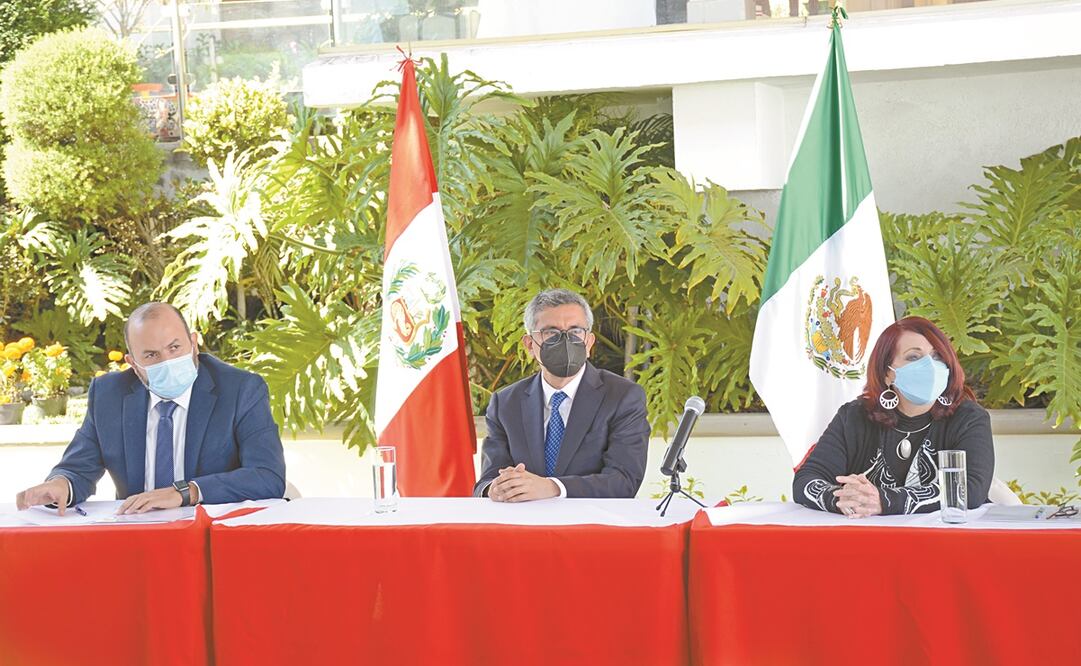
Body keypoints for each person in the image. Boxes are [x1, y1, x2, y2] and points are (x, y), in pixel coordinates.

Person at [15, 302, 286, 514]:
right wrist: (61, 485)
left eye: (175, 348)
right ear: (133, 363)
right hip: (136, 536)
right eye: (152, 355)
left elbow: (267, 476)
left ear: (193, 343)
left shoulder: (241, 390)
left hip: (211, 537)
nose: (167, 361)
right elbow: (78, 468)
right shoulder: (109, 395)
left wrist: (185, 492)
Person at [793, 316, 993, 517]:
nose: (931, 366)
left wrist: (885, 500)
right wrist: (843, 498)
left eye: (937, 356)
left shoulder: (968, 418)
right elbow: (806, 480)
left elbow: (970, 489)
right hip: (868, 542)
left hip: (945, 542)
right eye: (914, 357)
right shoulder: (854, 417)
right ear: (887, 373)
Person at [474, 289, 650, 501]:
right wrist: (495, 488)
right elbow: (488, 480)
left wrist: (552, 487)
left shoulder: (623, 397)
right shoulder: (505, 403)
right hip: (524, 527)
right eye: (551, 333)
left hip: (592, 528)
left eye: (575, 331)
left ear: (589, 342)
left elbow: (624, 481)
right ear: (530, 344)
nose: (566, 341)